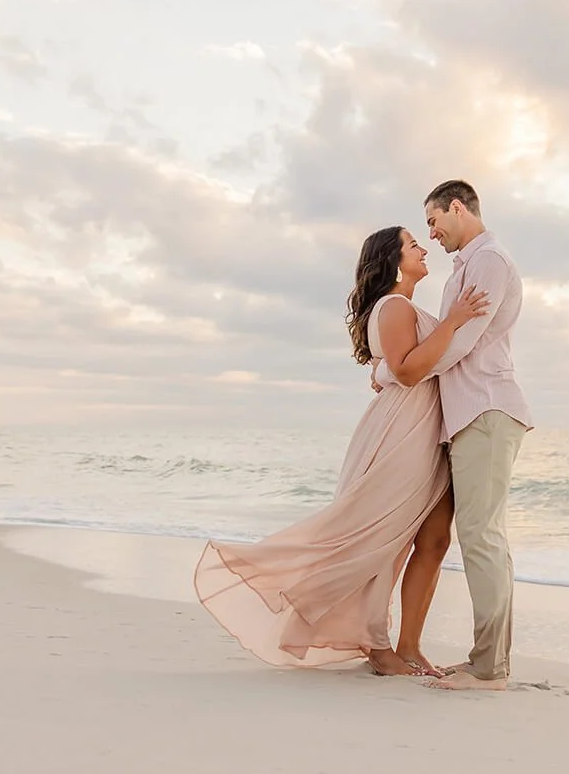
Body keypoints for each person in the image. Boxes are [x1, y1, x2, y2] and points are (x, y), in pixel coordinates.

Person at [193, 225, 490, 677]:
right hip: (401, 432)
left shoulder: (405, 307)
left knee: (434, 539)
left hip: (429, 431)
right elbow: (408, 372)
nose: (423, 248)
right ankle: (376, 644)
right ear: (393, 261)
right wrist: (452, 321)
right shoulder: (392, 306)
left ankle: (410, 646)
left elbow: (406, 368)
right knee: (381, 538)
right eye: (413, 245)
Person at [372, 179, 532, 692]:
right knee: (483, 538)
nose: (432, 234)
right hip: (467, 415)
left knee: (481, 537)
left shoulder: (489, 262)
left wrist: (395, 372)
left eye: (434, 222)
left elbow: (459, 343)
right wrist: (394, 368)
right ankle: (489, 662)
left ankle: (489, 668)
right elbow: (441, 339)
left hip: (485, 409)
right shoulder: (466, 267)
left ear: (457, 207)